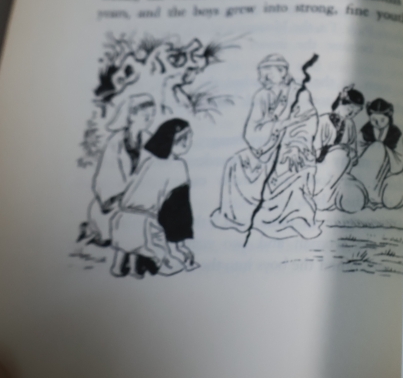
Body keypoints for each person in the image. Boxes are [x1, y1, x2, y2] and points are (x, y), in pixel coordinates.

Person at [211, 54, 324, 240]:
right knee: (235, 162)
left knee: (289, 166)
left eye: (268, 74)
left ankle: (291, 218)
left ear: (282, 72)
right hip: (264, 149)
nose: (264, 79)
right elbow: (251, 131)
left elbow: (307, 123)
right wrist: (278, 125)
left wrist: (295, 146)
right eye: (262, 75)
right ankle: (237, 217)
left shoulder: (300, 94)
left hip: (293, 148)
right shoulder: (262, 96)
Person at [109, 118, 197, 278]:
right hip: (148, 225)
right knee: (173, 265)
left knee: (127, 247)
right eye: (184, 139)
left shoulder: (150, 162)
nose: (188, 142)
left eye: (189, 137)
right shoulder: (178, 166)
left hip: (122, 218)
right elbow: (178, 210)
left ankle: (124, 267)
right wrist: (180, 246)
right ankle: (136, 267)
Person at [78, 94, 156, 266]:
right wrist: (125, 193)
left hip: (140, 200)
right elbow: (105, 178)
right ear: (131, 115)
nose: (150, 119)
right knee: (114, 233)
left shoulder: (150, 140)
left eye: (152, 114)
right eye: (145, 114)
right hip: (115, 202)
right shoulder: (115, 142)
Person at [311, 86, 369, 213]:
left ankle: (333, 198)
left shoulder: (350, 125)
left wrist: (352, 154)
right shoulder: (323, 121)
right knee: (340, 154)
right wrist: (337, 149)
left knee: (357, 195)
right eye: (349, 110)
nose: (351, 115)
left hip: (342, 171)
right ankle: (321, 196)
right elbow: (314, 154)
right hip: (323, 172)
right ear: (341, 103)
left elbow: (353, 153)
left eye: (355, 113)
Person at [352, 98, 403, 209]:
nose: (378, 123)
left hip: (389, 169)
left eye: (382, 120)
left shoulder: (395, 133)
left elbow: (400, 160)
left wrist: (385, 151)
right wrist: (376, 149)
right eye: (374, 120)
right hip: (368, 170)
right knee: (377, 146)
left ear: (388, 117)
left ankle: (379, 196)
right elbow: (359, 154)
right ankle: (367, 194)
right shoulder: (365, 131)